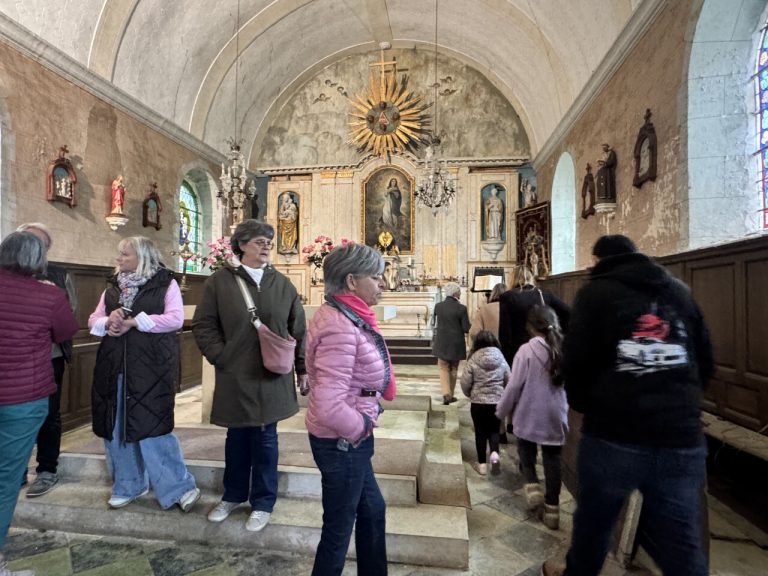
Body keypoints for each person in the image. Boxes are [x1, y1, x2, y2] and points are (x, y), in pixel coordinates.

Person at [542, 235, 714, 576]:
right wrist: (681, 406)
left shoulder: (596, 293)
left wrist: (588, 406)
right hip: (680, 436)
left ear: (596, 259)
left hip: (614, 433)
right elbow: (705, 360)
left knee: (593, 526)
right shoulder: (678, 290)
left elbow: (575, 361)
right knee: (682, 542)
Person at [192, 220, 307, 533]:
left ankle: (263, 502)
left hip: (272, 375)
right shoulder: (219, 282)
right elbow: (204, 325)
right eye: (259, 241)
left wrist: (303, 368)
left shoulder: (283, 284)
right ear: (241, 245)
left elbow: (298, 329)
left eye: (268, 241)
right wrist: (221, 355)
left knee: (266, 439)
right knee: (237, 437)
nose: (267, 246)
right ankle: (232, 496)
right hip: (235, 373)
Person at [89, 236, 200, 513]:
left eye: (125, 254)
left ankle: (179, 487)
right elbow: (93, 319)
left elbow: (175, 319)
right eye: (120, 254)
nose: (119, 259)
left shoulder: (165, 283)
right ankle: (129, 484)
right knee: (116, 427)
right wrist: (108, 321)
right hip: (114, 364)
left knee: (153, 427)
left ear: (142, 257)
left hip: (151, 366)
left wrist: (133, 322)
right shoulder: (112, 285)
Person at [304, 242, 394, 576]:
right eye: (376, 276)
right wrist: (361, 428)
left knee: (373, 510)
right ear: (352, 281)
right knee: (339, 530)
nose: (382, 283)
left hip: (347, 441)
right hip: (343, 442)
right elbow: (329, 405)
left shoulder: (345, 316)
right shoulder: (339, 325)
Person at [0, 231, 78, 576]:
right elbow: (65, 332)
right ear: (39, 260)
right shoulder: (49, 295)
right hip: (22, 398)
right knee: (5, 480)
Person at [15, 223, 77, 498]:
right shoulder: (7, 274)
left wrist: (47, 300)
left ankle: (46, 470)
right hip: (13, 357)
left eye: (40, 244)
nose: (35, 249)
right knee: (12, 415)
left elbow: (70, 315)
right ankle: (15, 471)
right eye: (29, 242)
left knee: (49, 414)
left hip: (49, 354)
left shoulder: (59, 275)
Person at [496, 305, 568, 530]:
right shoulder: (564, 348)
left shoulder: (526, 351)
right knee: (552, 459)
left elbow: (514, 385)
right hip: (556, 413)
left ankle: (533, 488)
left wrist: (501, 409)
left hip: (529, 412)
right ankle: (553, 509)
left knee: (526, 454)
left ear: (530, 327)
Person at [498, 266, 569, 368]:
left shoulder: (508, 297)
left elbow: (505, 332)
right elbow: (567, 312)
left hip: (518, 349)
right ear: (531, 277)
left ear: (512, 278)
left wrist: (506, 357)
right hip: (545, 346)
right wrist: (558, 333)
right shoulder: (545, 294)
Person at [460, 330, 509, 476]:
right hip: (497, 402)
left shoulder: (473, 359)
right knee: (494, 430)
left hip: (478, 403)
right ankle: (494, 454)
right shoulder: (501, 358)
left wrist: (469, 393)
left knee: (480, 432)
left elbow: (465, 382)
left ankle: (482, 464)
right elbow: (509, 379)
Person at [431, 282, 470, 405]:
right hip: (456, 343)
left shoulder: (438, 306)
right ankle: (451, 394)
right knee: (454, 368)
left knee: (443, 368)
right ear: (455, 293)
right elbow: (466, 328)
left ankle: (446, 394)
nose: (460, 293)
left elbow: (434, 323)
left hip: (442, 341)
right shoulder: (462, 308)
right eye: (459, 292)